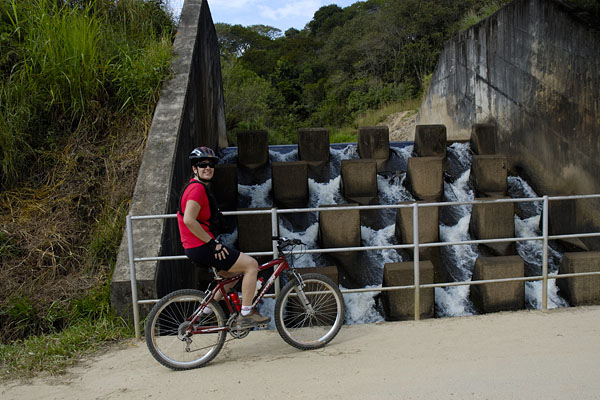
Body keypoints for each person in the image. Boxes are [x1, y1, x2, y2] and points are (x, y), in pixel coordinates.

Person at [177, 146, 270, 328]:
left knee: (233, 276)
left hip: (195, 246)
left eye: (210, 164)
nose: (207, 167)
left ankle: (202, 313)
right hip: (202, 246)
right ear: (194, 168)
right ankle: (246, 314)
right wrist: (213, 244)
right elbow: (189, 219)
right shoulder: (197, 190)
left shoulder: (192, 187)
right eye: (202, 164)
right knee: (251, 265)